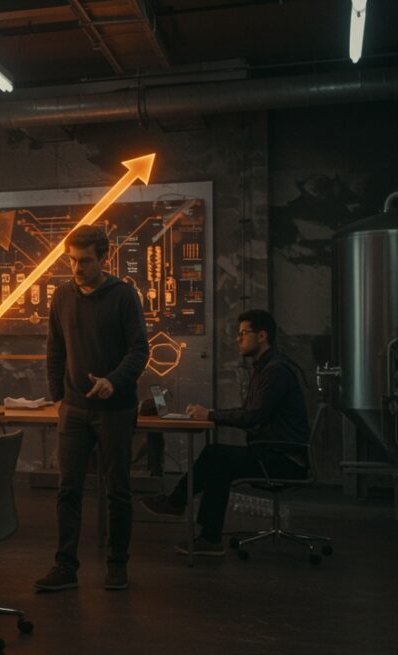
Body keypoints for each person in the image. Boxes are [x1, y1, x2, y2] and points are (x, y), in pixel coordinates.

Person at [140, 310, 310, 555]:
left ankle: (179, 505)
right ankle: (207, 536)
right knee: (218, 461)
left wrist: (210, 415)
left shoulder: (275, 371)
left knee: (216, 456)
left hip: (285, 459)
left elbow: (252, 416)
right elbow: (250, 412)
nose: (238, 339)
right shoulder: (266, 367)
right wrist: (211, 413)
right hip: (275, 452)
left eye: (243, 333)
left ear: (262, 336)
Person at [35, 225, 148, 593]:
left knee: (117, 489)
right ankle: (65, 565)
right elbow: (55, 350)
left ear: (103, 258)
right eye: (71, 260)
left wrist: (113, 381)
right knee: (68, 488)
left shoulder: (123, 296)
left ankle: (117, 565)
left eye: (84, 261)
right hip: (73, 407)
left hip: (115, 408)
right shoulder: (62, 296)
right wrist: (57, 397)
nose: (76, 268)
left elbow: (139, 350)